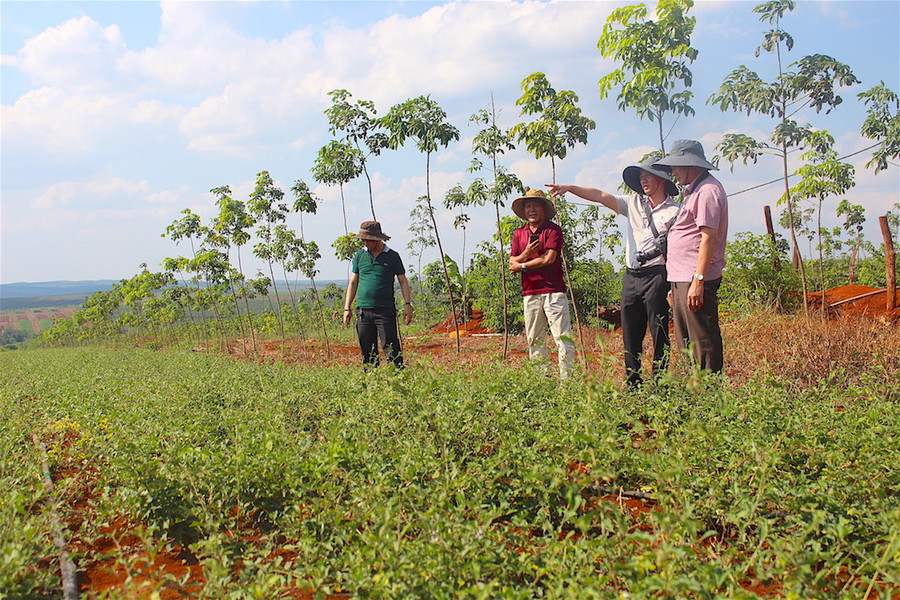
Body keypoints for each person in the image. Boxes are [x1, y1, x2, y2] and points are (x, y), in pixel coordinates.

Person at [547, 156, 681, 387]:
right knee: (630, 332)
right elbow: (600, 196)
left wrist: (674, 284)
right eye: (641, 176)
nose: (644, 180)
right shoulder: (633, 203)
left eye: (648, 175)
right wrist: (570, 188)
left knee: (659, 332)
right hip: (632, 276)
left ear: (662, 179)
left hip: (658, 275)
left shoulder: (676, 211)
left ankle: (660, 383)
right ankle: (633, 382)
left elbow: (679, 249)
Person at [652, 140, 728, 373]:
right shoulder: (694, 192)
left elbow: (708, 238)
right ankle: (696, 392)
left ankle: (709, 396)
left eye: (676, 167)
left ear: (691, 165)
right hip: (683, 278)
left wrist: (698, 280)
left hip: (694, 278)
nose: (673, 173)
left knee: (702, 341)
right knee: (687, 342)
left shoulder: (707, 191)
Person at [508, 189, 575, 379]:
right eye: (528, 206)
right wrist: (527, 253)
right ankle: (541, 382)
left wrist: (521, 265)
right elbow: (511, 262)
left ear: (544, 208)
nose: (531, 209)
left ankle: (567, 384)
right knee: (534, 339)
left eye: (535, 205)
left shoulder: (553, 230)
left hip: (553, 291)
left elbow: (549, 259)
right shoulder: (519, 234)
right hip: (530, 292)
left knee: (562, 338)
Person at [342, 221, 413, 369]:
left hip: (385, 310)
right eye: (363, 239)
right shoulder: (360, 256)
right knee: (367, 350)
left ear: (378, 239)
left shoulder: (392, 256)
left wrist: (407, 304)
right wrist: (347, 308)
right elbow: (353, 282)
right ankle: (372, 383)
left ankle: (398, 380)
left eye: (368, 239)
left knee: (391, 348)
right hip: (363, 311)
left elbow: (403, 281)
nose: (365, 242)